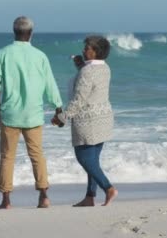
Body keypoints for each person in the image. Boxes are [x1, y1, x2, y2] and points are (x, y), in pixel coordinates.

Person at [0, 16, 63, 209]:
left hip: (10, 113)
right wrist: (58, 108)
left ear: (14, 31)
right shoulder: (40, 56)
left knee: (7, 156)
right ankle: (44, 195)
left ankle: (6, 201)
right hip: (34, 114)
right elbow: (50, 84)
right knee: (37, 154)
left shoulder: (2, 53)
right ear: (31, 33)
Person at [52, 35, 118, 206]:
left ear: (95, 52)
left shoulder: (87, 72)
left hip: (88, 121)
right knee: (93, 161)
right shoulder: (105, 68)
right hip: (103, 119)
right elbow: (92, 84)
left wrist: (62, 117)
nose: (83, 50)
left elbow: (79, 100)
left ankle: (108, 188)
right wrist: (81, 65)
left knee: (84, 158)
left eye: (87, 48)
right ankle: (90, 197)